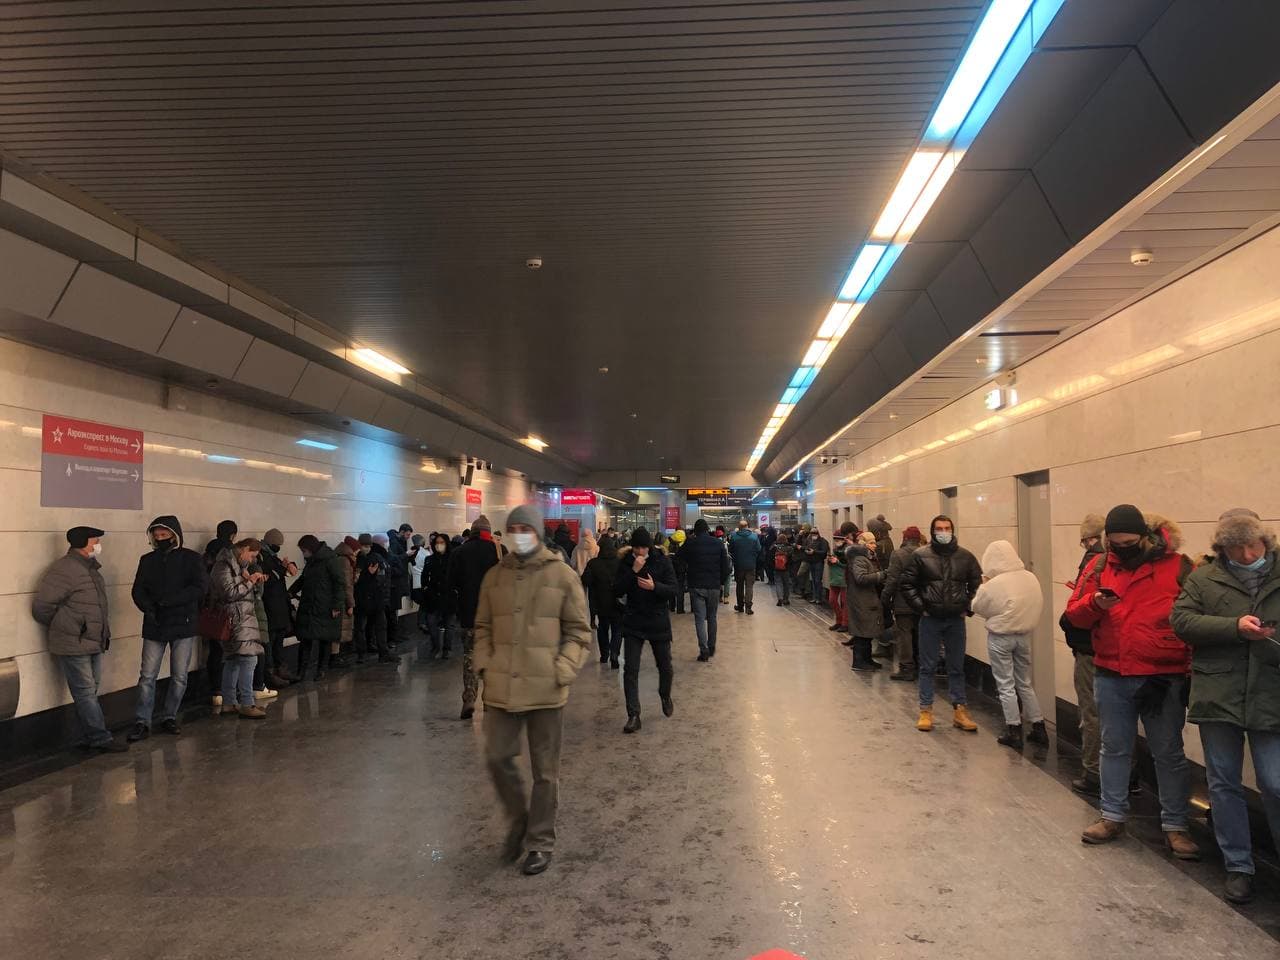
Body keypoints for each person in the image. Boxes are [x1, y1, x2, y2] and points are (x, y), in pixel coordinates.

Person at [1066, 505, 1199, 859]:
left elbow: (1194, 619)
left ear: (1145, 536)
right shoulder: (1099, 565)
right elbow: (1074, 614)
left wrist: (1186, 671)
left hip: (1163, 677)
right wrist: (1096, 603)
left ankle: (1176, 825)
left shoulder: (1178, 566)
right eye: (1116, 543)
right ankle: (1112, 816)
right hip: (1112, 672)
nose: (1122, 549)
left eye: (1129, 543)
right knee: (1114, 748)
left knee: (1168, 752)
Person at [473, 504, 591, 876]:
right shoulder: (494, 577)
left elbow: (578, 632)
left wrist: (563, 668)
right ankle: (519, 819)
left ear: (538, 533)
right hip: (502, 685)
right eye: (514, 529)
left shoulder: (562, 576)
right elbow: (483, 627)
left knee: (545, 772)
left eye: (526, 529)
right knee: (497, 757)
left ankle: (540, 841)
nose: (519, 535)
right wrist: (484, 664)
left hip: (546, 687)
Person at [1171, 509, 1280, 904]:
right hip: (1219, 692)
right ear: (1222, 548)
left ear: (1265, 540)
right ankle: (1238, 865)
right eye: (1236, 548)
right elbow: (1181, 621)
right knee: (1223, 782)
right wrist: (1233, 627)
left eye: (1252, 546)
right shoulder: (1204, 577)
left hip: (1271, 692)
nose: (1247, 555)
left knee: (1275, 782)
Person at [33, 526, 124, 752]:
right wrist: (67, 626)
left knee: (90, 691)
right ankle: (100, 738)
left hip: (92, 640)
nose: (98, 545)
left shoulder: (89, 568)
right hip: (74, 642)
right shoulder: (65, 569)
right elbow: (42, 607)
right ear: (83, 543)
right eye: (95, 541)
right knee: (85, 692)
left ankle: (90, 735)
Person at [127, 516, 208, 741]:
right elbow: (138, 590)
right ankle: (142, 721)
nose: (160, 539)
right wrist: (149, 607)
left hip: (183, 623)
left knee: (179, 675)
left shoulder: (191, 559)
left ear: (175, 535)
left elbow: (201, 587)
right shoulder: (147, 560)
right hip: (156, 622)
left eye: (164, 535)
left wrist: (170, 601)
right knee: (147, 676)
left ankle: (169, 715)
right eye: (157, 535)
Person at [901, 515, 982, 733]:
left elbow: (977, 584)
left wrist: (968, 607)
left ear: (952, 530)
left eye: (947, 528)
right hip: (930, 619)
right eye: (939, 529)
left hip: (956, 620)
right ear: (933, 531)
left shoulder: (966, 557)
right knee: (927, 666)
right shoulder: (920, 556)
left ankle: (960, 710)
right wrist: (922, 607)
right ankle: (925, 710)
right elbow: (907, 584)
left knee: (956, 666)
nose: (943, 532)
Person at [972, 539, 1047, 750]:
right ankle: (1039, 727)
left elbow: (978, 606)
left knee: (1005, 684)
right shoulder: (1030, 577)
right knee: (1024, 682)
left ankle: (1014, 729)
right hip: (1024, 636)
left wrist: (984, 584)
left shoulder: (995, 584)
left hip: (1000, 638)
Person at [1061, 514, 1109, 794]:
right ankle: (1127, 775)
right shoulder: (1125, 564)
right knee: (1118, 717)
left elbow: (1078, 610)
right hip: (1113, 650)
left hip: (1090, 648)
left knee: (1092, 712)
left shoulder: (1094, 562)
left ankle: (1093, 773)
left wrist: (1067, 624)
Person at [614, 528, 678, 733]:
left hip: (658, 621)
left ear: (649, 547)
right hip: (634, 622)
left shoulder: (662, 560)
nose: (640, 551)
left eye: (643, 547)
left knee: (665, 666)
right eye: (637, 547)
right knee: (630, 669)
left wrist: (654, 587)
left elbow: (673, 589)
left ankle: (665, 695)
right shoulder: (626, 562)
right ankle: (633, 714)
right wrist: (633, 571)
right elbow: (616, 589)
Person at [446, 513, 502, 719]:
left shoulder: (459, 552)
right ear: (488, 532)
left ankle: (469, 699)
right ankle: (489, 701)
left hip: (469, 615)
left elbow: (450, 584)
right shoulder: (498, 551)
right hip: (494, 616)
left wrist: (456, 609)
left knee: (470, 656)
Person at [210, 538, 268, 719]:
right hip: (235, 620)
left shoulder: (238, 567)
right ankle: (247, 703)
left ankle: (229, 703)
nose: (252, 560)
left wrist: (252, 581)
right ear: (244, 549)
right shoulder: (223, 566)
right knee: (249, 661)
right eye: (251, 555)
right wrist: (250, 581)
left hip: (241, 620)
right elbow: (230, 593)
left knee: (233, 661)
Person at [290, 535, 349, 681]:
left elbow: (339, 584)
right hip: (309, 606)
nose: (303, 554)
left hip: (325, 607)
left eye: (304, 551)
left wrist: (336, 606)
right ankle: (301, 672)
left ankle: (321, 670)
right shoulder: (312, 562)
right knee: (306, 640)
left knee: (325, 639)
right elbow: (303, 579)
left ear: (311, 548)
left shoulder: (330, 560)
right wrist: (290, 592)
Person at [683, 518, 732, 661]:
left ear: (695, 531)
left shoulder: (690, 543)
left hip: (696, 585)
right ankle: (712, 647)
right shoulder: (718, 543)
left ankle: (703, 650)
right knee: (712, 617)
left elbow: (679, 558)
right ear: (707, 530)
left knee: (699, 619)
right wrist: (720, 582)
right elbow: (726, 567)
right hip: (714, 586)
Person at [202, 519, 238, 708]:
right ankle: (229, 689)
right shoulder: (232, 554)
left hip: (210, 608)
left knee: (215, 650)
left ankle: (215, 690)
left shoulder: (207, 553)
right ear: (233, 535)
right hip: (229, 608)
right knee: (232, 650)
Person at [882, 526, 924, 681]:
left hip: (903, 601)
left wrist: (885, 598)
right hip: (921, 602)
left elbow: (892, 579)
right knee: (919, 634)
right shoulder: (926, 553)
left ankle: (906, 668)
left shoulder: (898, 554)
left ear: (905, 538)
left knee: (904, 634)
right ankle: (920, 666)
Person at [257, 528, 298, 685]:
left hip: (279, 606)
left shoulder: (271, 556)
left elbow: (278, 571)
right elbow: (271, 576)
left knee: (278, 641)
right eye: (277, 544)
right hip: (270, 605)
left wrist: (289, 565)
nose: (278, 547)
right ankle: (270, 673)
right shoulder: (261, 556)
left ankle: (280, 669)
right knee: (270, 642)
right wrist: (284, 569)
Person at [353, 537, 397, 664]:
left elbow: (381, 579)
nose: (366, 548)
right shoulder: (357, 559)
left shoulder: (374, 558)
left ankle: (375, 653)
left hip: (371, 599)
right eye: (364, 545)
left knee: (373, 627)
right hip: (366, 599)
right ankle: (367, 653)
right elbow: (355, 580)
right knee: (367, 627)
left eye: (368, 545)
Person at [582, 538, 623, 667]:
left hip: (600, 601)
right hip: (617, 602)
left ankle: (604, 655)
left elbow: (585, 580)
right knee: (617, 629)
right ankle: (615, 653)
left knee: (603, 628)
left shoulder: (593, 563)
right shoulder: (620, 563)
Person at [848, 531, 886, 671]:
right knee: (862, 632)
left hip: (865, 599)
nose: (874, 545)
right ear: (864, 544)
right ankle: (859, 661)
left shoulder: (867, 558)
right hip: (862, 600)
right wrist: (881, 575)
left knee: (868, 630)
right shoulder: (859, 559)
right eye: (871, 543)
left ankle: (867, 659)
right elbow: (861, 578)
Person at [420, 533, 454, 659]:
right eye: (437, 543)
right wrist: (425, 588)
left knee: (449, 624)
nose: (439, 545)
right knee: (431, 622)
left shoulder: (453, 559)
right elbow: (424, 576)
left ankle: (447, 648)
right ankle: (436, 646)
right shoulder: (429, 559)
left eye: (442, 542)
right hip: (433, 596)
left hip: (448, 595)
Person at [728, 519, 762, 614]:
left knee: (739, 586)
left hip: (738, 565)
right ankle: (748, 607)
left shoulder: (734, 537)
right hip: (751, 565)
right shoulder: (754, 536)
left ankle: (740, 606)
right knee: (749, 586)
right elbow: (759, 549)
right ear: (747, 526)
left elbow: (730, 549)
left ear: (739, 527)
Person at [826, 527, 851, 634]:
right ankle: (839, 620)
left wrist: (837, 562)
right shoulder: (835, 550)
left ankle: (845, 623)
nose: (837, 542)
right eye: (835, 540)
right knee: (832, 600)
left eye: (838, 540)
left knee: (844, 603)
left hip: (844, 579)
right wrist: (830, 560)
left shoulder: (848, 550)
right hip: (834, 579)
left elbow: (849, 565)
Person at [804, 529, 830, 604]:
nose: (813, 536)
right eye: (812, 534)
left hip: (819, 562)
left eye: (814, 534)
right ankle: (815, 597)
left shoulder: (823, 541)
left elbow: (824, 551)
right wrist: (807, 551)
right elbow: (806, 547)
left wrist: (814, 551)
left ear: (818, 534)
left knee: (817, 580)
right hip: (812, 562)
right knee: (814, 580)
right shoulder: (810, 540)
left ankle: (818, 598)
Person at [668, 528, 688, 614]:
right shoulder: (684, 544)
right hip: (681, 568)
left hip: (671, 567)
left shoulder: (670, 542)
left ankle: (671, 607)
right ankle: (680, 609)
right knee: (680, 588)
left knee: (671, 586)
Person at [771, 532, 793, 606]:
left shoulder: (774, 547)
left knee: (778, 583)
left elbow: (770, 557)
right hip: (786, 568)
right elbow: (792, 559)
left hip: (776, 568)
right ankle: (786, 599)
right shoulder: (789, 547)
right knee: (786, 584)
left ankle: (780, 598)